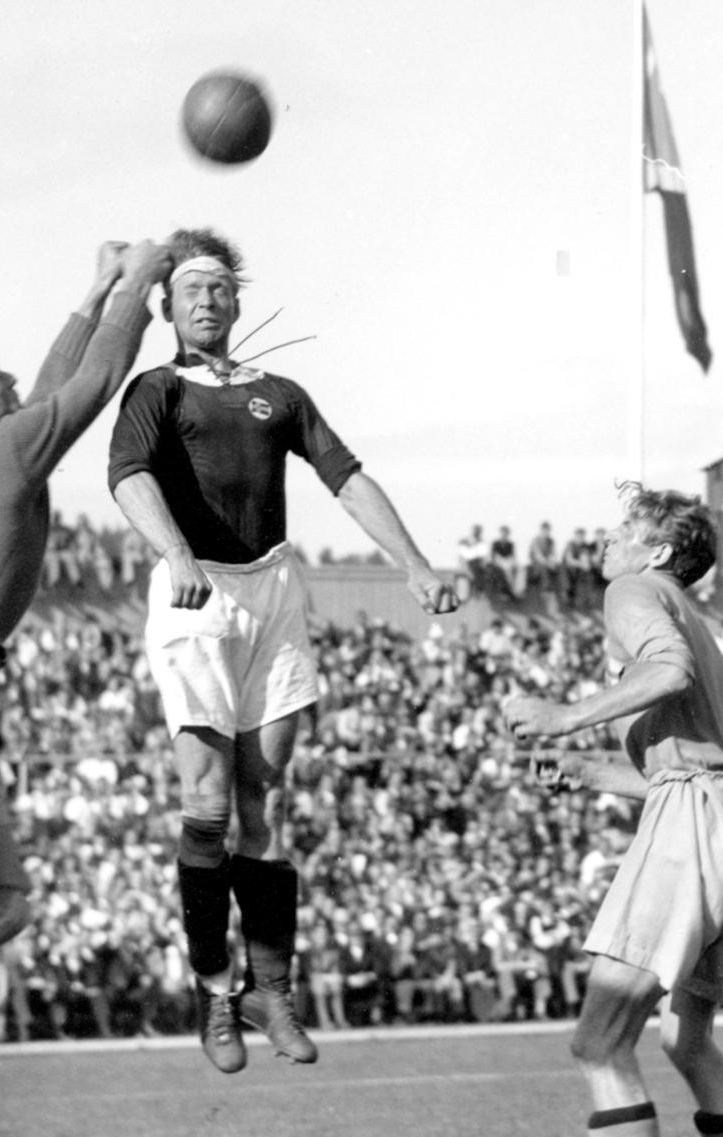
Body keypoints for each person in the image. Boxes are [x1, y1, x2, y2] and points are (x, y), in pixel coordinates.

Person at [106, 226, 457, 1074]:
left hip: (272, 587)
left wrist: (414, 563)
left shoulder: (281, 393)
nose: (206, 300)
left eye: (219, 288)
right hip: (196, 590)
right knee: (208, 803)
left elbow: (347, 478)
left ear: (237, 301)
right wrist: (174, 550)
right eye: (191, 290)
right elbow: (128, 474)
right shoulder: (156, 389)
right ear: (166, 306)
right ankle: (213, 987)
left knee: (264, 797)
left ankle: (271, 988)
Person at [0, 241, 172, 1087]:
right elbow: (93, 380)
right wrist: (141, 280)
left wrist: (97, 286)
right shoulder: (1, 446)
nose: (13, 375)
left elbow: (50, 384)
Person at [504, 484, 723, 1137]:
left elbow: (670, 670)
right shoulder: (689, 613)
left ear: (656, 553)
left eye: (624, 529)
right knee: (688, 1042)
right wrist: (588, 770)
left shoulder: (632, 589)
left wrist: (563, 718)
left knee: (600, 1042)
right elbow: (694, 765)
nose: (607, 537)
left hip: (698, 819)